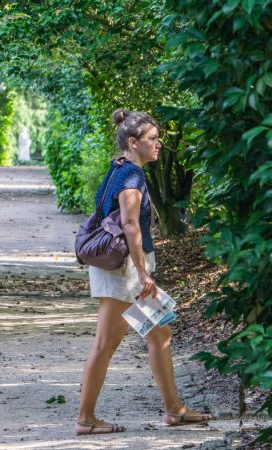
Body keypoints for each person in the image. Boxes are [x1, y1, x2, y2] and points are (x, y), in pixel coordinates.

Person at [75, 109, 212, 435]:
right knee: (105, 344)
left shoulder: (119, 169)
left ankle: (174, 410)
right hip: (125, 273)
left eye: (159, 138)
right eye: (153, 139)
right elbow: (131, 224)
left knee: (160, 334)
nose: (159, 144)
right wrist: (143, 273)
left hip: (129, 270)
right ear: (133, 142)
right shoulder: (132, 176)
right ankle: (85, 419)